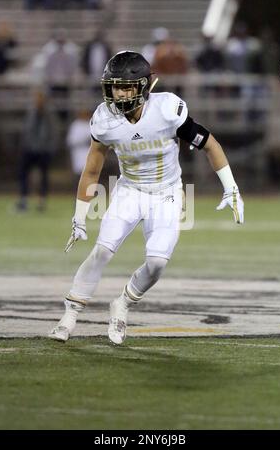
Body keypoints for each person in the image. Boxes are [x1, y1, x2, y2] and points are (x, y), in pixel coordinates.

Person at [48, 51, 244, 345]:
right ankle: (70, 316)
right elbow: (91, 170)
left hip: (166, 192)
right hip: (130, 190)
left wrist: (231, 187)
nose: (120, 92)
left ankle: (123, 303)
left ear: (143, 87)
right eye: (115, 86)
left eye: (127, 86)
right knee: (102, 250)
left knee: (156, 263)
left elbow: (209, 144)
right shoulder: (104, 119)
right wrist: (79, 217)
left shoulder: (166, 110)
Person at [16, 90, 59, 212]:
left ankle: (42, 201)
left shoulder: (49, 114)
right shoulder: (32, 112)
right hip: (29, 149)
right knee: (23, 173)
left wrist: (51, 148)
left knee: (43, 176)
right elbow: (26, 130)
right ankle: (24, 200)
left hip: (43, 150)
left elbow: (53, 132)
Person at [66, 109, 92, 188]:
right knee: (79, 177)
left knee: (90, 177)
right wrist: (83, 140)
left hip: (90, 153)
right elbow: (70, 141)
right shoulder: (75, 125)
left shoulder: (91, 124)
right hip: (78, 153)